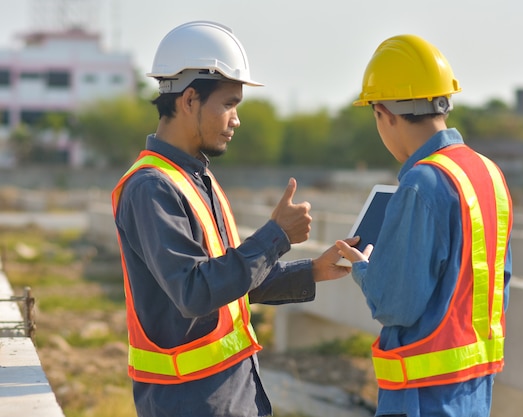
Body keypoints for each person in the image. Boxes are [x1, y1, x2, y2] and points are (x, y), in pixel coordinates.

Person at [111, 21, 355, 417]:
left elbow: (229, 281)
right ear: (190, 100)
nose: (236, 119)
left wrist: (310, 271)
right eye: (229, 104)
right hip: (189, 401)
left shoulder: (197, 178)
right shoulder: (151, 188)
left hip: (231, 392)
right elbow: (195, 292)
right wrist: (276, 235)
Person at [336, 34, 513, 417]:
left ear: (383, 113)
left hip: (421, 396)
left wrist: (363, 268)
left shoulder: (421, 183)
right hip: (474, 392)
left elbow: (396, 303)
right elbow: (499, 279)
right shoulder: (489, 173)